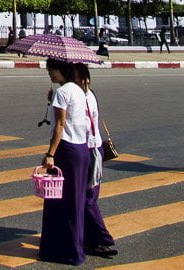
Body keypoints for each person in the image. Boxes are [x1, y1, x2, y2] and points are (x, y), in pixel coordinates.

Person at [38, 58, 90, 266]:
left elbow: (59, 125)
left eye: (52, 70)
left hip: (66, 150)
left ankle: (62, 251)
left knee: (59, 203)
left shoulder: (62, 92)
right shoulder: (77, 90)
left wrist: (50, 153)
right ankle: (75, 248)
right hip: (81, 148)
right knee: (74, 202)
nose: (50, 74)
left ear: (62, 70)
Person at [74, 63, 117, 259]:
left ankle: (102, 240)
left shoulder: (81, 97)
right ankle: (89, 239)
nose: (75, 82)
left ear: (85, 79)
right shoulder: (90, 94)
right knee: (87, 197)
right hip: (94, 147)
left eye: (76, 78)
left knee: (88, 198)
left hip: (90, 149)